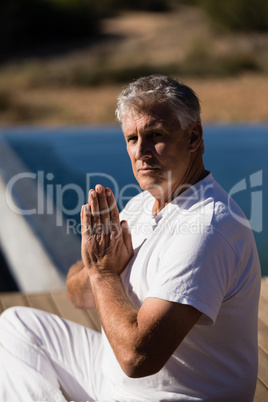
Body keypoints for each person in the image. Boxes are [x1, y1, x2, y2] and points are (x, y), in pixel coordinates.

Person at [0, 75, 261, 401]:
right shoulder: (142, 205)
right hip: (110, 379)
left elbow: (137, 359)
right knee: (16, 325)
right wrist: (98, 266)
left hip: (169, 394)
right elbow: (76, 295)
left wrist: (104, 273)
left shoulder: (207, 228)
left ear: (193, 137)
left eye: (155, 136)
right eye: (131, 138)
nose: (141, 151)